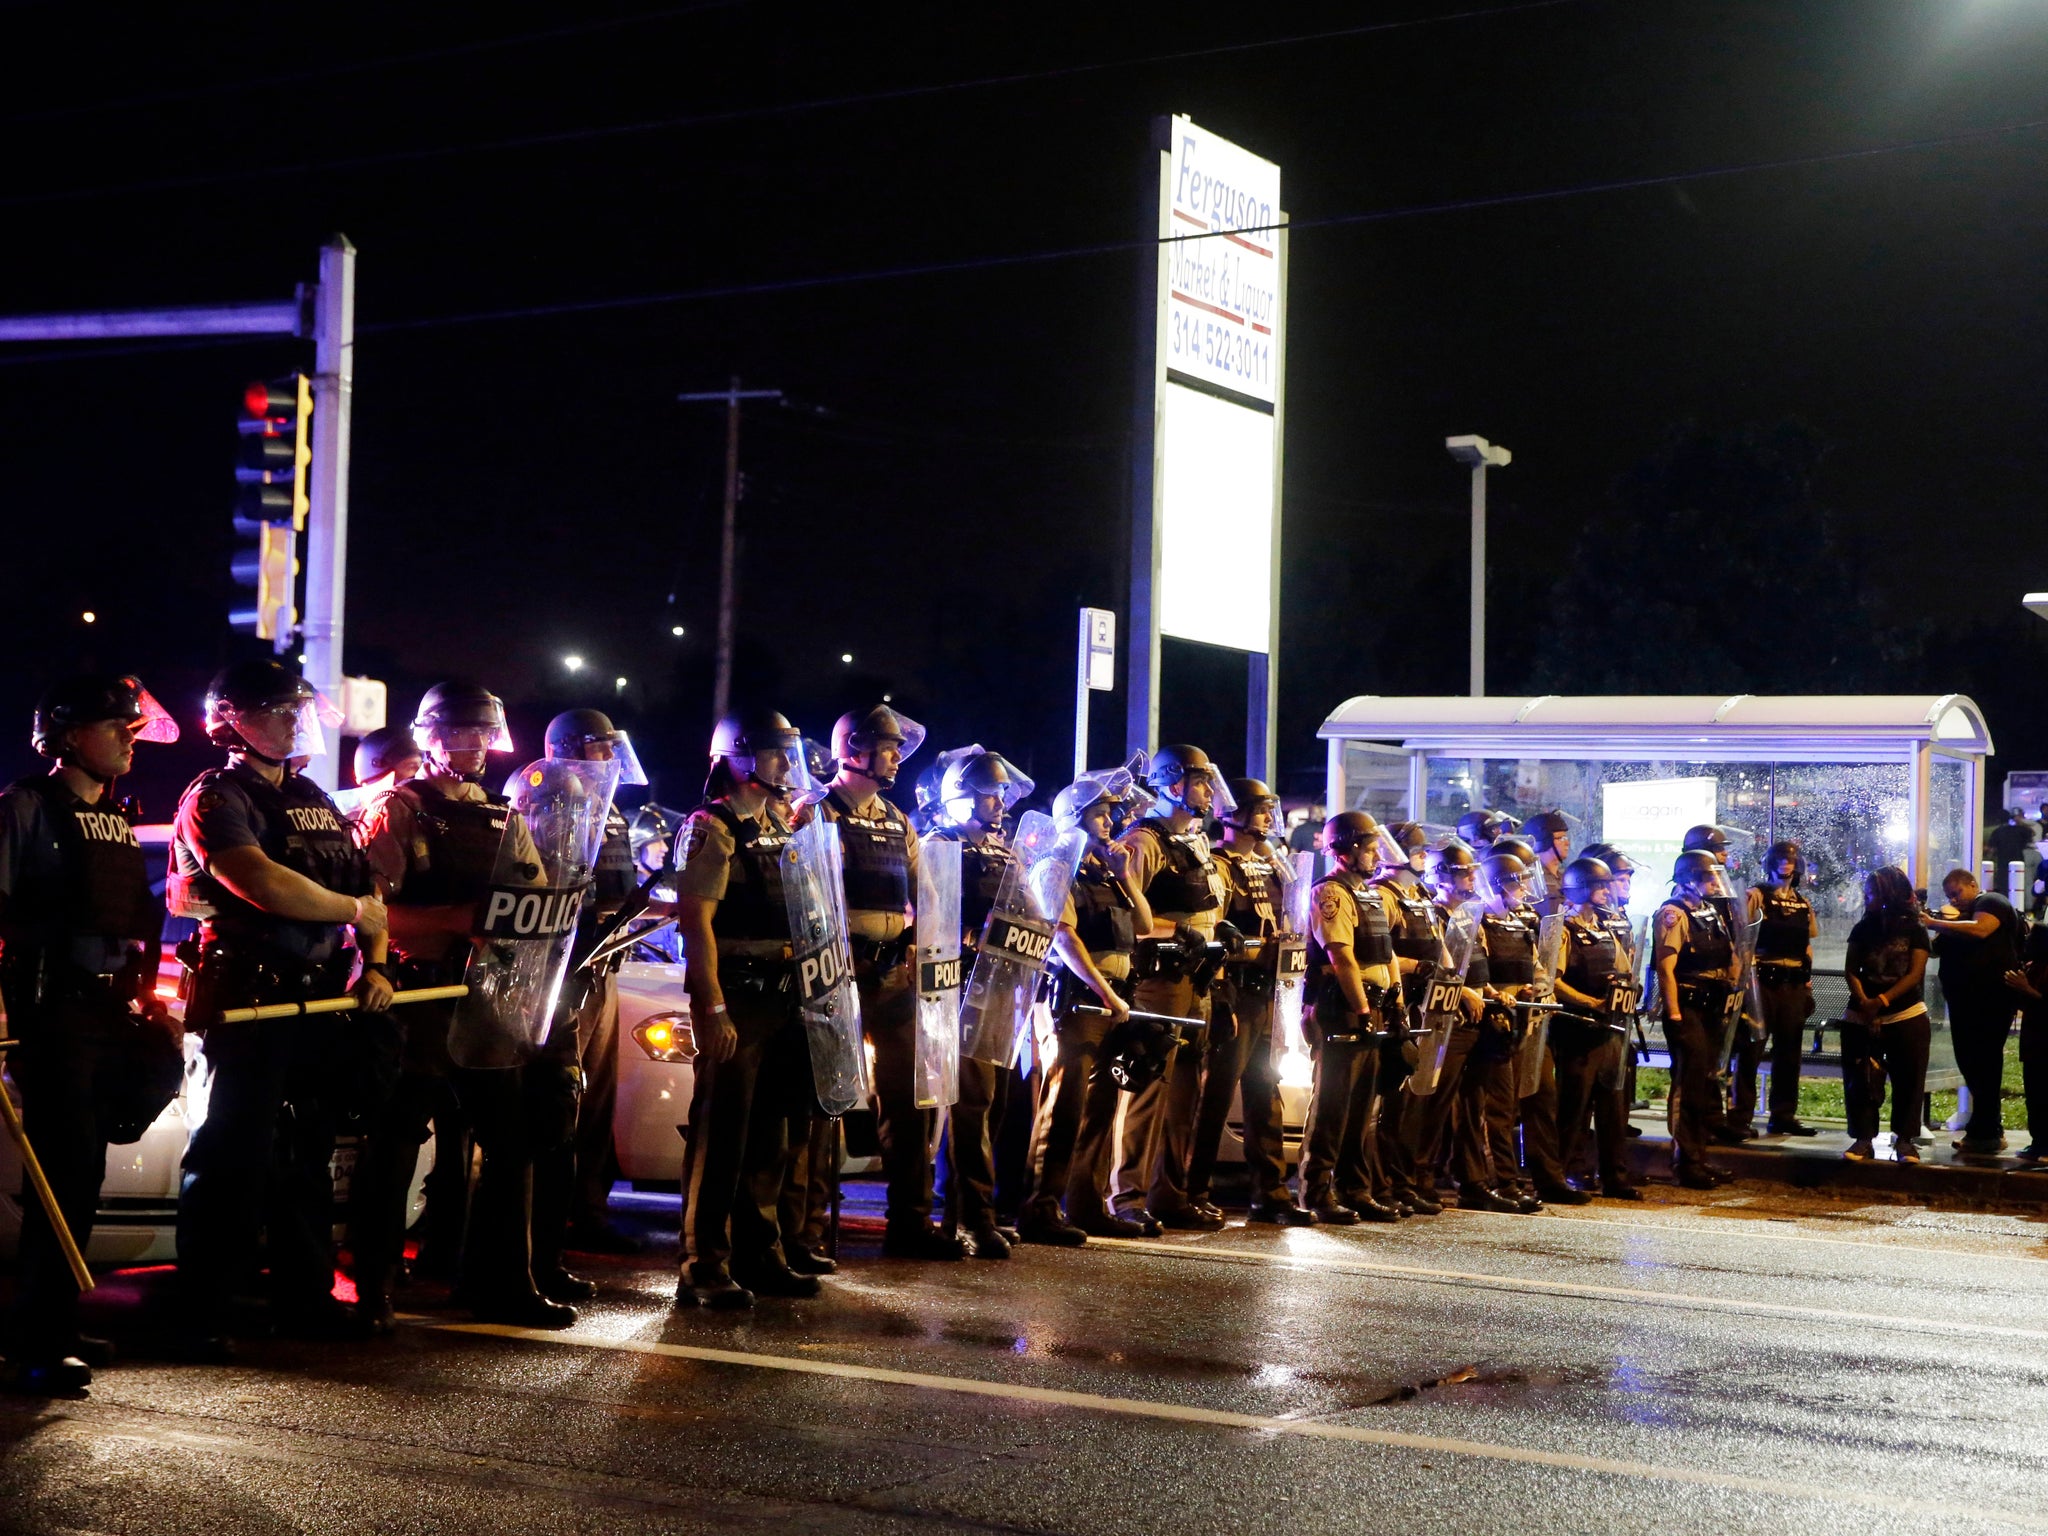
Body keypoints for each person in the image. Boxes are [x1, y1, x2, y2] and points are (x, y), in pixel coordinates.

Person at [169, 661, 393, 1354]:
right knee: (233, 1154)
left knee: (309, 1155)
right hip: (251, 998)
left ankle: (304, 1298)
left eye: (300, 707)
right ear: (232, 718)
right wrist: (356, 911)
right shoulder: (215, 796)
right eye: (279, 708)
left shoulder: (312, 796)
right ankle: (206, 1310)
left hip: (321, 998)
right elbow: (264, 884)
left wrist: (376, 962)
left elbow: (372, 888)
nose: (296, 720)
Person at [355, 682, 582, 1329]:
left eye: (484, 732)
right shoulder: (398, 809)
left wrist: (558, 903)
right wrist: (455, 919)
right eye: (461, 732)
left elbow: (532, 897)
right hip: (419, 994)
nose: (476, 744)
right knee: (397, 1142)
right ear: (428, 737)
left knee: (512, 1141)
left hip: (487, 1002)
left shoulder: (500, 815)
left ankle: (505, 1281)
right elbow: (372, 911)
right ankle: (372, 1288)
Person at [0, 675, 183, 1393]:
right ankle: (39, 1340)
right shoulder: (26, 808)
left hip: (110, 1015)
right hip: (55, 1016)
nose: (130, 739)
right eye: (117, 727)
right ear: (71, 734)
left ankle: (57, 1321)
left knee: (84, 1174)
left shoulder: (114, 813)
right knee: (64, 1171)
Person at [670, 710, 821, 1307]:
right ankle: (703, 1262)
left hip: (786, 991)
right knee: (721, 1132)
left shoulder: (783, 823)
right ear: (737, 755)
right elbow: (696, 923)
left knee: (773, 1132)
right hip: (738, 989)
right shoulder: (712, 826)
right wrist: (711, 1005)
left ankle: (762, 1254)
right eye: (774, 750)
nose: (786, 762)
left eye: (789, 750)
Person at [801, 705, 962, 1262]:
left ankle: (911, 1223)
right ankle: (809, 1229)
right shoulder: (813, 812)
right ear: (855, 750)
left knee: (910, 1102)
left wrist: (926, 945)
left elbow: (930, 893)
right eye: (887, 747)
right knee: (825, 1104)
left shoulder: (897, 818)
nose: (896, 757)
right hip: (836, 977)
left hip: (895, 976)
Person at [545, 709, 658, 1255]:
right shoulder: (550, 799)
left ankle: (589, 1206)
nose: (611, 758)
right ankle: (555, 1214)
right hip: (567, 969)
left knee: (598, 1100)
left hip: (607, 963)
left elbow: (618, 883)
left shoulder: (608, 807)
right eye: (600, 748)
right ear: (570, 749)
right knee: (565, 1095)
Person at [1022, 765, 1151, 1242]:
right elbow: (1062, 936)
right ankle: (1040, 1207)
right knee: (1065, 1105)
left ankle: (1084, 1203)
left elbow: (1141, 924)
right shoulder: (1056, 866)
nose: (1109, 823)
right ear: (1074, 818)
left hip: (1110, 1000)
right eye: (1100, 814)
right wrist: (1105, 991)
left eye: (1110, 815)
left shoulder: (1106, 869)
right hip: (1076, 1001)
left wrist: (1126, 877)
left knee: (1100, 1106)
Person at [1113, 746, 1233, 1231]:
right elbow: (1126, 914)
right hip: (1159, 980)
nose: (1208, 791)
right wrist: (1178, 932)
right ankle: (1128, 1195)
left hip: (1196, 978)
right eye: (1200, 781)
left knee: (1184, 1092)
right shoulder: (1145, 840)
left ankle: (1169, 1192)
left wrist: (1217, 936)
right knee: (1146, 1089)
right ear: (1173, 784)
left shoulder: (1193, 840)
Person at [1187, 778, 1311, 1225]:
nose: (1266, 817)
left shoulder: (1276, 866)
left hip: (1270, 994)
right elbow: (1213, 927)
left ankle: (1272, 1194)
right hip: (1234, 990)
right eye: (1258, 809)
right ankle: (1193, 1190)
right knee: (1215, 1097)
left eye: (1269, 809)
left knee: (1266, 1093)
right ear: (1233, 813)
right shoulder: (1218, 864)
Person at [929, 747, 1036, 1257]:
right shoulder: (940, 843)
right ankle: (973, 1216)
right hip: (957, 985)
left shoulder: (1004, 849)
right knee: (969, 1104)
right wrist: (971, 934)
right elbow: (924, 913)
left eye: (1000, 792)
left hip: (1003, 987)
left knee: (995, 1104)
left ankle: (972, 1207)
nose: (1000, 802)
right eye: (990, 793)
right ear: (962, 797)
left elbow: (1032, 909)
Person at [1298, 812, 1405, 1222]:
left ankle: (1355, 1189)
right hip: (1342, 1009)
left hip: (1373, 1007)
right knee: (1333, 1104)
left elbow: (1387, 952)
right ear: (1347, 849)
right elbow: (1341, 955)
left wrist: (1393, 1002)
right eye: (1370, 847)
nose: (1376, 854)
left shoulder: (1371, 894)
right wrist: (1361, 1009)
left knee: (1363, 1107)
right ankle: (1317, 1192)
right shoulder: (1332, 893)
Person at [1387, 841, 1504, 1213]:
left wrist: (1488, 992)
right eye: (1463, 871)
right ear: (1443, 876)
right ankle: (1413, 1179)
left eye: (1472, 870)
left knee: (1460, 1105)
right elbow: (1438, 964)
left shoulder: (1470, 913)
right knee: (1425, 1101)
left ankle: (1450, 1178)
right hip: (1437, 1015)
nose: (1472, 876)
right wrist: (1464, 991)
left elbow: (1468, 961)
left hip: (1470, 1015)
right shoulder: (1433, 911)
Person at [1545, 857, 1642, 1201]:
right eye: (1599, 885)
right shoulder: (1563, 928)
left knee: (1613, 1106)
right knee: (1574, 1107)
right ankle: (1567, 1171)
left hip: (1609, 1027)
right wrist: (1590, 1003)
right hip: (1577, 1029)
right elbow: (1552, 982)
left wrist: (1628, 992)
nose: (1606, 890)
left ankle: (1615, 1176)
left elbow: (1624, 968)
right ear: (1581, 889)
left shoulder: (1607, 926)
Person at [1650, 850, 1738, 1189]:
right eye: (1707, 878)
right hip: (1687, 1006)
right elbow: (1666, 968)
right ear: (1689, 880)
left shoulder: (1709, 911)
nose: (1714, 883)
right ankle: (1686, 1162)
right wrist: (1673, 1013)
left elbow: (1729, 955)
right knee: (1688, 1085)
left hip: (1712, 1005)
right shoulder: (1674, 913)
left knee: (1704, 1083)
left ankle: (1699, 1157)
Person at [1925, 867, 2022, 1155]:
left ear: (1972, 885)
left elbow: (1981, 929)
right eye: (1949, 896)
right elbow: (1934, 949)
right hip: (1964, 1002)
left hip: (1991, 999)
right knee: (1971, 1061)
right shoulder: (1956, 922)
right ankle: (1986, 1128)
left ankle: (1986, 1131)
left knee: (1985, 1062)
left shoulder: (1991, 902)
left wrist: (1935, 922)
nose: (1954, 900)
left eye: (1957, 893)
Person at [1841, 867, 1932, 1163]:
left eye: (1872, 892)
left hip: (1905, 1013)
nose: (1867, 897)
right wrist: (1864, 1001)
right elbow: (1852, 969)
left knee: (1908, 1079)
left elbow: (1915, 973)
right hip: (1862, 1015)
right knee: (1861, 1079)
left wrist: (1882, 1000)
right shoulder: (1864, 927)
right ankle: (1863, 1139)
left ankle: (1905, 1140)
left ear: (1888, 894)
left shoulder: (1914, 929)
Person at [1743, 841, 1819, 1137]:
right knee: (1751, 1051)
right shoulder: (1757, 896)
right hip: (1763, 981)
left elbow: (1807, 944)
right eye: (1781, 860)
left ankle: (1783, 1114)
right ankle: (1740, 1116)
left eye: (1791, 861)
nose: (1787, 865)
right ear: (1770, 863)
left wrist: (1808, 983)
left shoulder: (1802, 901)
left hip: (1794, 983)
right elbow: (1743, 938)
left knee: (1789, 1054)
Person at [2002, 916, 2048, 1163]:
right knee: (2035, 1095)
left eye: (2031, 939)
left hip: (2044, 1042)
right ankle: (2038, 1142)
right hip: (2032, 1043)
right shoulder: (2031, 966)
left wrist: (2026, 988)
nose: (2027, 942)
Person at [1523, 811, 1571, 917]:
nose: (1567, 843)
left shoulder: (1566, 877)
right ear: (1544, 841)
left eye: (1566, 838)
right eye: (1560, 838)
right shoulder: (1530, 879)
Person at [1985, 807, 2038, 901]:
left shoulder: (1997, 831)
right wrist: (2020, 822)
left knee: (2004, 890)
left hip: (2003, 865)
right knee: (2018, 889)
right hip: (2018, 864)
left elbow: (1991, 850)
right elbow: (2032, 833)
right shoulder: (2020, 830)